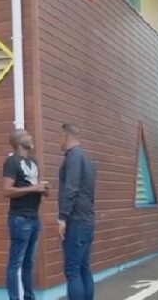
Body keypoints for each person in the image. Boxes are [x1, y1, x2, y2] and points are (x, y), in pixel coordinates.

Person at [2, 129, 49, 300]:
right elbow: (6, 191)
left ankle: (29, 297)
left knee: (29, 263)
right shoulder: (11, 162)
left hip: (34, 219)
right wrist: (34, 188)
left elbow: (33, 187)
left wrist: (42, 190)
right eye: (27, 135)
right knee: (15, 264)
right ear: (19, 141)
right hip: (19, 219)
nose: (31, 137)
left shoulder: (33, 162)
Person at [57, 122, 97, 300]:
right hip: (87, 219)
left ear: (65, 137)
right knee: (83, 267)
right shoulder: (86, 159)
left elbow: (71, 188)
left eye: (60, 136)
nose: (59, 140)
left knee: (72, 269)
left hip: (76, 220)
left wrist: (62, 217)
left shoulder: (73, 157)